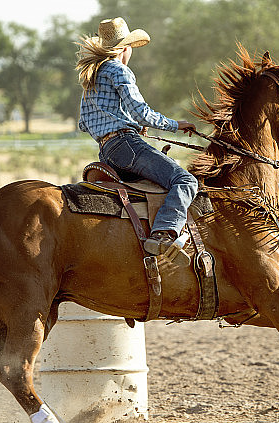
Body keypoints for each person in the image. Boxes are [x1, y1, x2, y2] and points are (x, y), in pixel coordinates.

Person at [76, 17, 198, 266]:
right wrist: (175, 125)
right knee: (185, 180)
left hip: (106, 151)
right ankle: (163, 234)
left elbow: (83, 123)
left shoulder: (92, 75)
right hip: (126, 145)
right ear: (125, 48)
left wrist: (122, 123)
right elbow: (142, 111)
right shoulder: (118, 70)